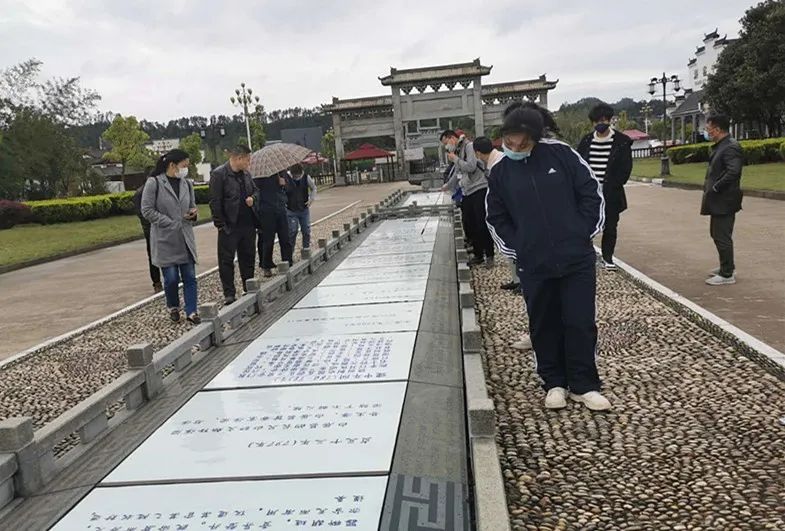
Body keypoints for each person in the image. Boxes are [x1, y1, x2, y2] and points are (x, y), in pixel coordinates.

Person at [486, 103, 611, 411]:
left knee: (580, 322)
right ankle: (553, 382)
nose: (515, 148)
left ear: (536, 137)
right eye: (509, 142)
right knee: (543, 324)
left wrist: (581, 233)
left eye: (522, 143)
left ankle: (584, 385)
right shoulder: (501, 172)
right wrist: (519, 247)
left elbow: (591, 193)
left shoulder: (562, 156)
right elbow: (496, 216)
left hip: (576, 259)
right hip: (534, 263)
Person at [141, 149, 200, 324]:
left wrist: (193, 213)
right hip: (165, 239)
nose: (186, 168)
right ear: (173, 165)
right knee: (171, 278)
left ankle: (192, 311)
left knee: (190, 276)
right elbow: (147, 210)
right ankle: (173, 306)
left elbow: (192, 205)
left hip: (184, 237)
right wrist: (169, 221)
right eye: (184, 165)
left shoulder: (186, 184)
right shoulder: (154, 183)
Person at [577, 103, 633, 270]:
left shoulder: (622, 142)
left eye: (602, 120)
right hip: (589, 192)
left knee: (610, 226)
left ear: (609, 120)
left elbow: (625, 169)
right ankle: (586, 255)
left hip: (611, 191)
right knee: (585, 225)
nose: (599, 124)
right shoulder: (587, 141)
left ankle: (608, 257)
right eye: (596, 121)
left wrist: (612, 184)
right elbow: (578, 164)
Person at [209, 145, 258, 305]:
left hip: (248, 223)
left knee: (248, 256)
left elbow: (255, 191)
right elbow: (215, 201)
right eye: (247, 160)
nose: (249, 163)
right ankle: (229, 293)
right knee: (226, 260)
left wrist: (253, 198)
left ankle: (248, 285)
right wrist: (221, 224)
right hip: (230, 224)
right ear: (239, 158)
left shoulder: (246, 175)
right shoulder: (219, 175)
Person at [441, 130, 495, 268]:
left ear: (452, 138)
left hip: (479, 188)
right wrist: (447, 186)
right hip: (467, 191)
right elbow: (458, 172)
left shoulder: (469, 146)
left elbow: (470, 167)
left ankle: (489, 255)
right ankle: (478, 254)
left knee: (481, 223)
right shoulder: (459, 150)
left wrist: (456, 159)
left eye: (446, 143)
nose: (447, 147)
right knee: (470, 223)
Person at [701, 113, 743, 286]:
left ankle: (727, 274)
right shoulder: (721, 146)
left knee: (722, 235)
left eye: (709, 128)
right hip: (718, 199)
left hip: (725, 199)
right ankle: (727, 266)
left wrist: (717, 186)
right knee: (717, 233)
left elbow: (733, 171)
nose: (707, 131)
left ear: (717, 129)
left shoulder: (731, 147)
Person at [254, 170, 293, 277]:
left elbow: (289, 188)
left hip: (281, 208)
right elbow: (255, 190)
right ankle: (266, 265)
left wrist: (284, 183)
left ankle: (288, 261)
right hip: (266, 210)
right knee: (268, 240)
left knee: (285, 237)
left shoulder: (282, 172)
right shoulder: (260, 175)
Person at [133, 182, 162, 292]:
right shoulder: (142, 192)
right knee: (153, 256)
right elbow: (141, 213)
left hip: (159, 226)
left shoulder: (156, 189)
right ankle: (157, 282)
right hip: (150, 228)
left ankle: (162, 281)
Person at [285, 163, 317, 250]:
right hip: (291, 209)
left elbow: (314, 188)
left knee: (306, 230)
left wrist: (311, 199)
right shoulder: (286, 178)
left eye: (298, 176)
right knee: (293, 231)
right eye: (295, 176)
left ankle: (306, 249)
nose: (296, 177)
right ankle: (290, 253)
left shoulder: (306, 177)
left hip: (304, 209)